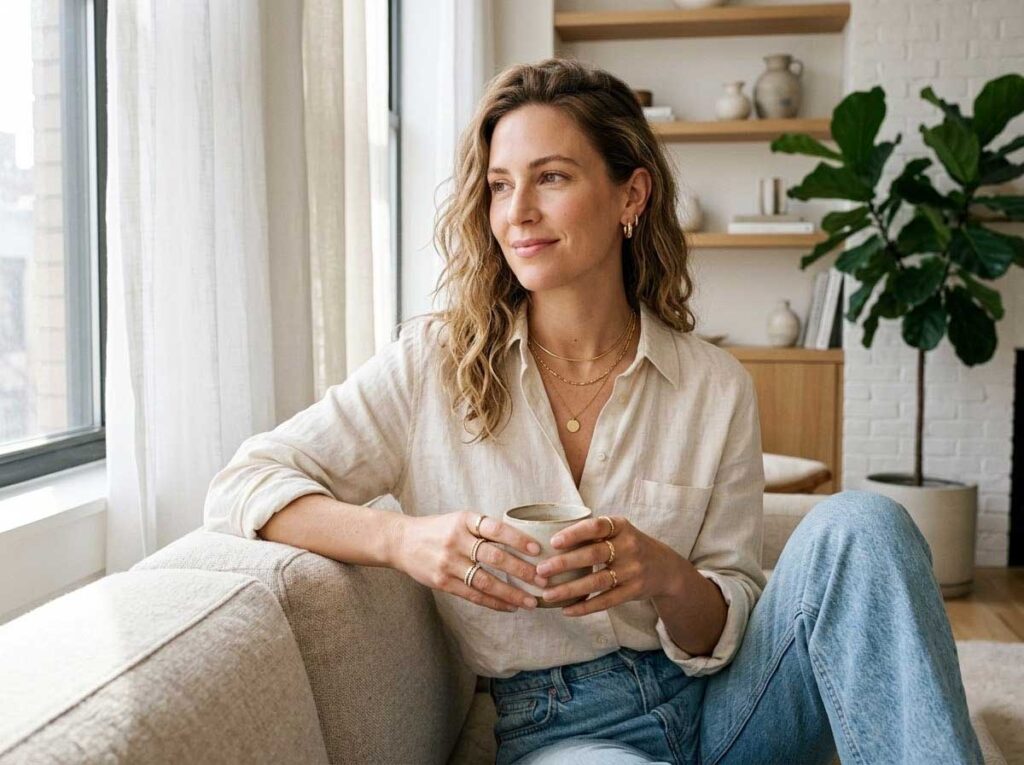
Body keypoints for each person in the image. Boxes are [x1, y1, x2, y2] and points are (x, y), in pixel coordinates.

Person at [203, 58, 984, 765]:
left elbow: (730, 612)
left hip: (734, 707)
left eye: (550, 177)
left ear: (629, 195)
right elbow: (245, 481)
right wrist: (404, 539)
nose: (518, 212)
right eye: (500, 185)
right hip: (564, 730)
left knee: (866, 524)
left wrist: (666, 575)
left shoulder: (713, 385)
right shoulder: (430, 366)